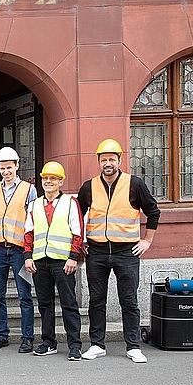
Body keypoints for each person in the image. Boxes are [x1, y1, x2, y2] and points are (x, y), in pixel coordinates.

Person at [77, 138, 161, 363]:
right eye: (104, 159)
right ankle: (97, 344)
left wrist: (147, 241)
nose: (108, 163)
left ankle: (133, 346)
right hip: (97, 251)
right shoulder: (88, 186)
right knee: (96, 301)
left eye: (112, 159)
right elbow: (76, 216)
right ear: (98, 162)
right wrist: (81, 241)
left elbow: (153, 211)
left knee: (129, 301)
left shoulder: (135, 184)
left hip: (127, 252)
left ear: (119, 160)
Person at [23, 161, 84, 360]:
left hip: (62, 261)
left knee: (69, 304)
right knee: (45, 304)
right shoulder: (35, 204)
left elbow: (78, 232)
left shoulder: (70, 202)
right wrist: (27, 256)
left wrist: (73, 257)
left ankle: (75, 345)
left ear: (60, 181)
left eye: (53, 178)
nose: (48, 182)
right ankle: (48, 342)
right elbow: (28, 232)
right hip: (41, 261)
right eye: (45, 178)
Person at [0, 147, 37, 353]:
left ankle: (27, 337)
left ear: (17, 166)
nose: (6, 171)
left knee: (24, 295)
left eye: (9, 167)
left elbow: (32, 223)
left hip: (19, 250)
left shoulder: (28, 189)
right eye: (3, 168)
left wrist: (29, 253)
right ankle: (1, 335)